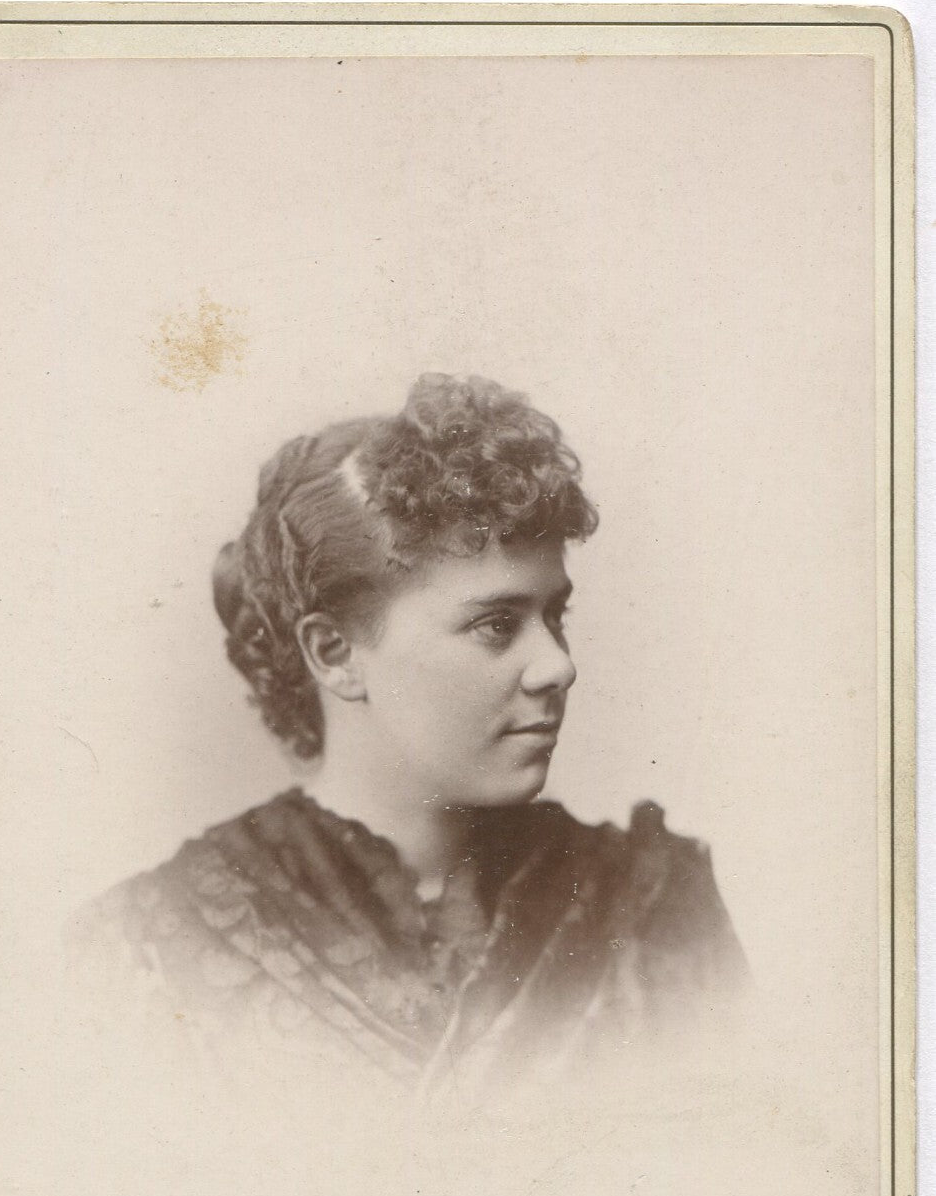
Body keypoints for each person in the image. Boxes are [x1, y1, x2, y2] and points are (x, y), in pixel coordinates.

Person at [75, 374, 746, 1101]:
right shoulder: (145, 947)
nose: (557, 666)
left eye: (555, 616)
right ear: (334, 654)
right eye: (496, 624)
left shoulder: (652, 909)